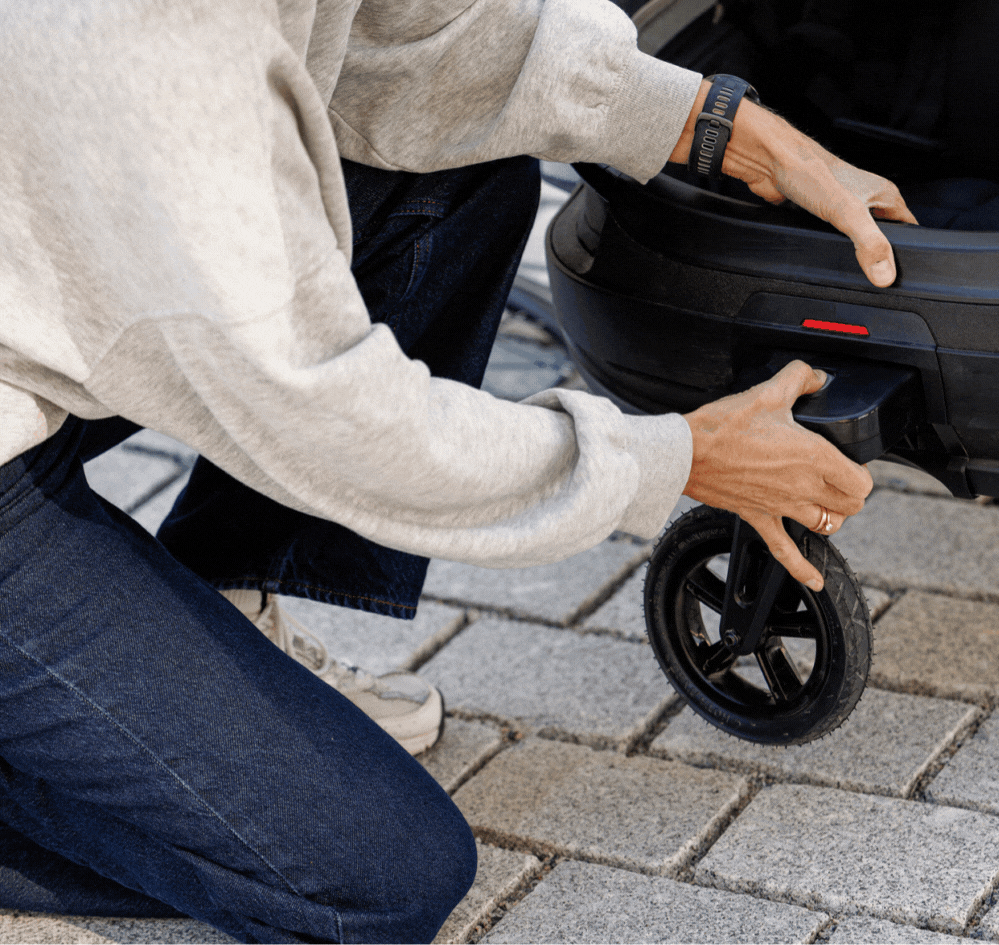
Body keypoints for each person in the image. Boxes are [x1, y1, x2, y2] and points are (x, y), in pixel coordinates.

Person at [0, 0, 916, 940]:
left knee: (454, 173)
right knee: (379, 874)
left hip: (45, 302)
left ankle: (212, 616)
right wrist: (677, 457)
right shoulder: (156, 50)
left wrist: (729, 132)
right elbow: (332, 417)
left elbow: (426, 38)